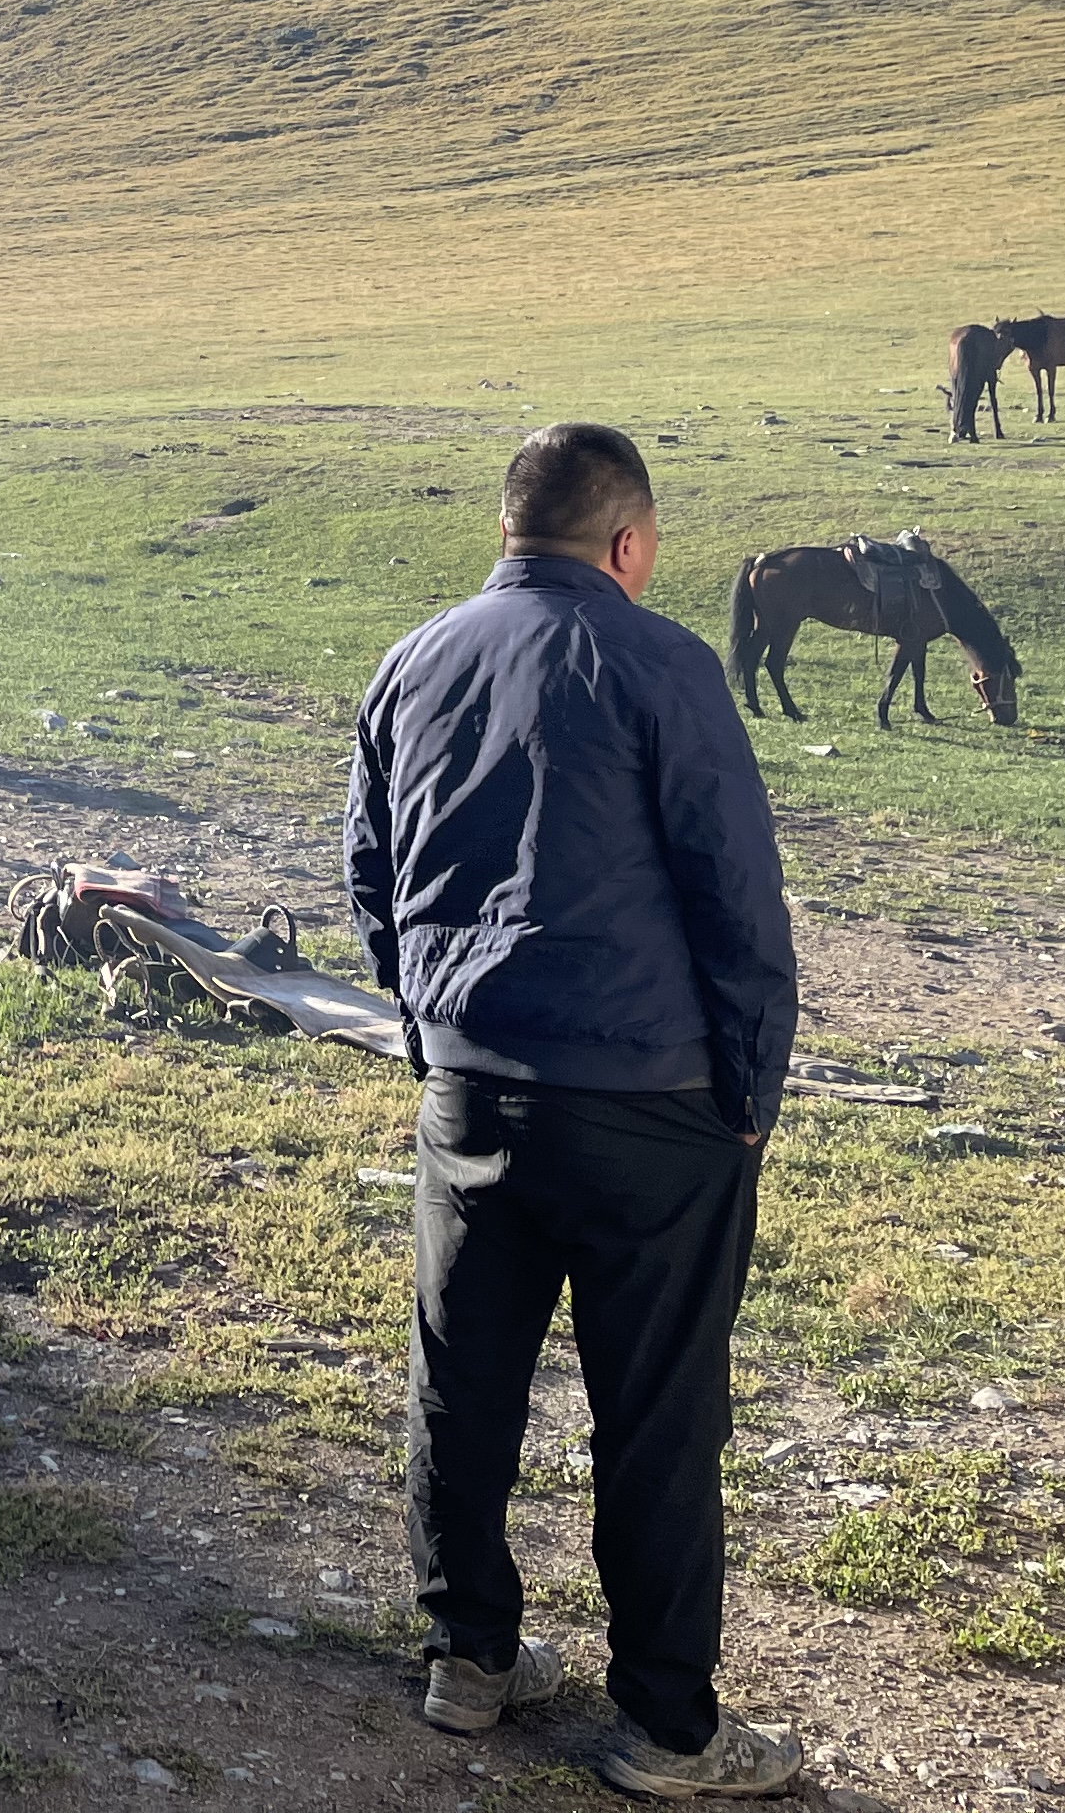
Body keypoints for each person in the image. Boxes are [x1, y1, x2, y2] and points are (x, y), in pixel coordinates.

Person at [341, 421, 804, 1799]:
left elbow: (373, 878)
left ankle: (469, 1659)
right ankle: (667, 1729)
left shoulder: (412, 660)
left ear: (505, 531)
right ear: (626, 545)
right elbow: (739, 898)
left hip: (472, 1088)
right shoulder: (661, 661)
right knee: (657, 1415)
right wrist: (750, 1095)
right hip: (652, 1101)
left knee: (462, 1380)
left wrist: (436, 1031)